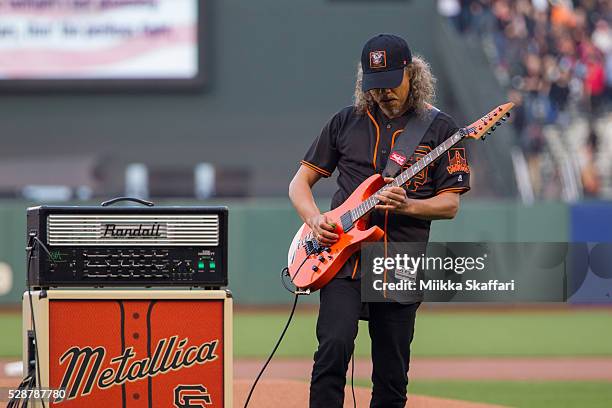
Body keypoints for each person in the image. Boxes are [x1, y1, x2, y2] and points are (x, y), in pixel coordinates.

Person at [288, 34, 470, 408]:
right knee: (332, 349)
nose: (383, 94)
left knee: (391, 373)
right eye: (374, 86)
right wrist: (314, 219)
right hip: (341, 257)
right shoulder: (345, 121)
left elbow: (450, 205)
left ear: (411, 74)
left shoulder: (441, 128)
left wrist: (406, 206)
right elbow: (299, 183)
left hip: (400, 259)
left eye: (390, 84)